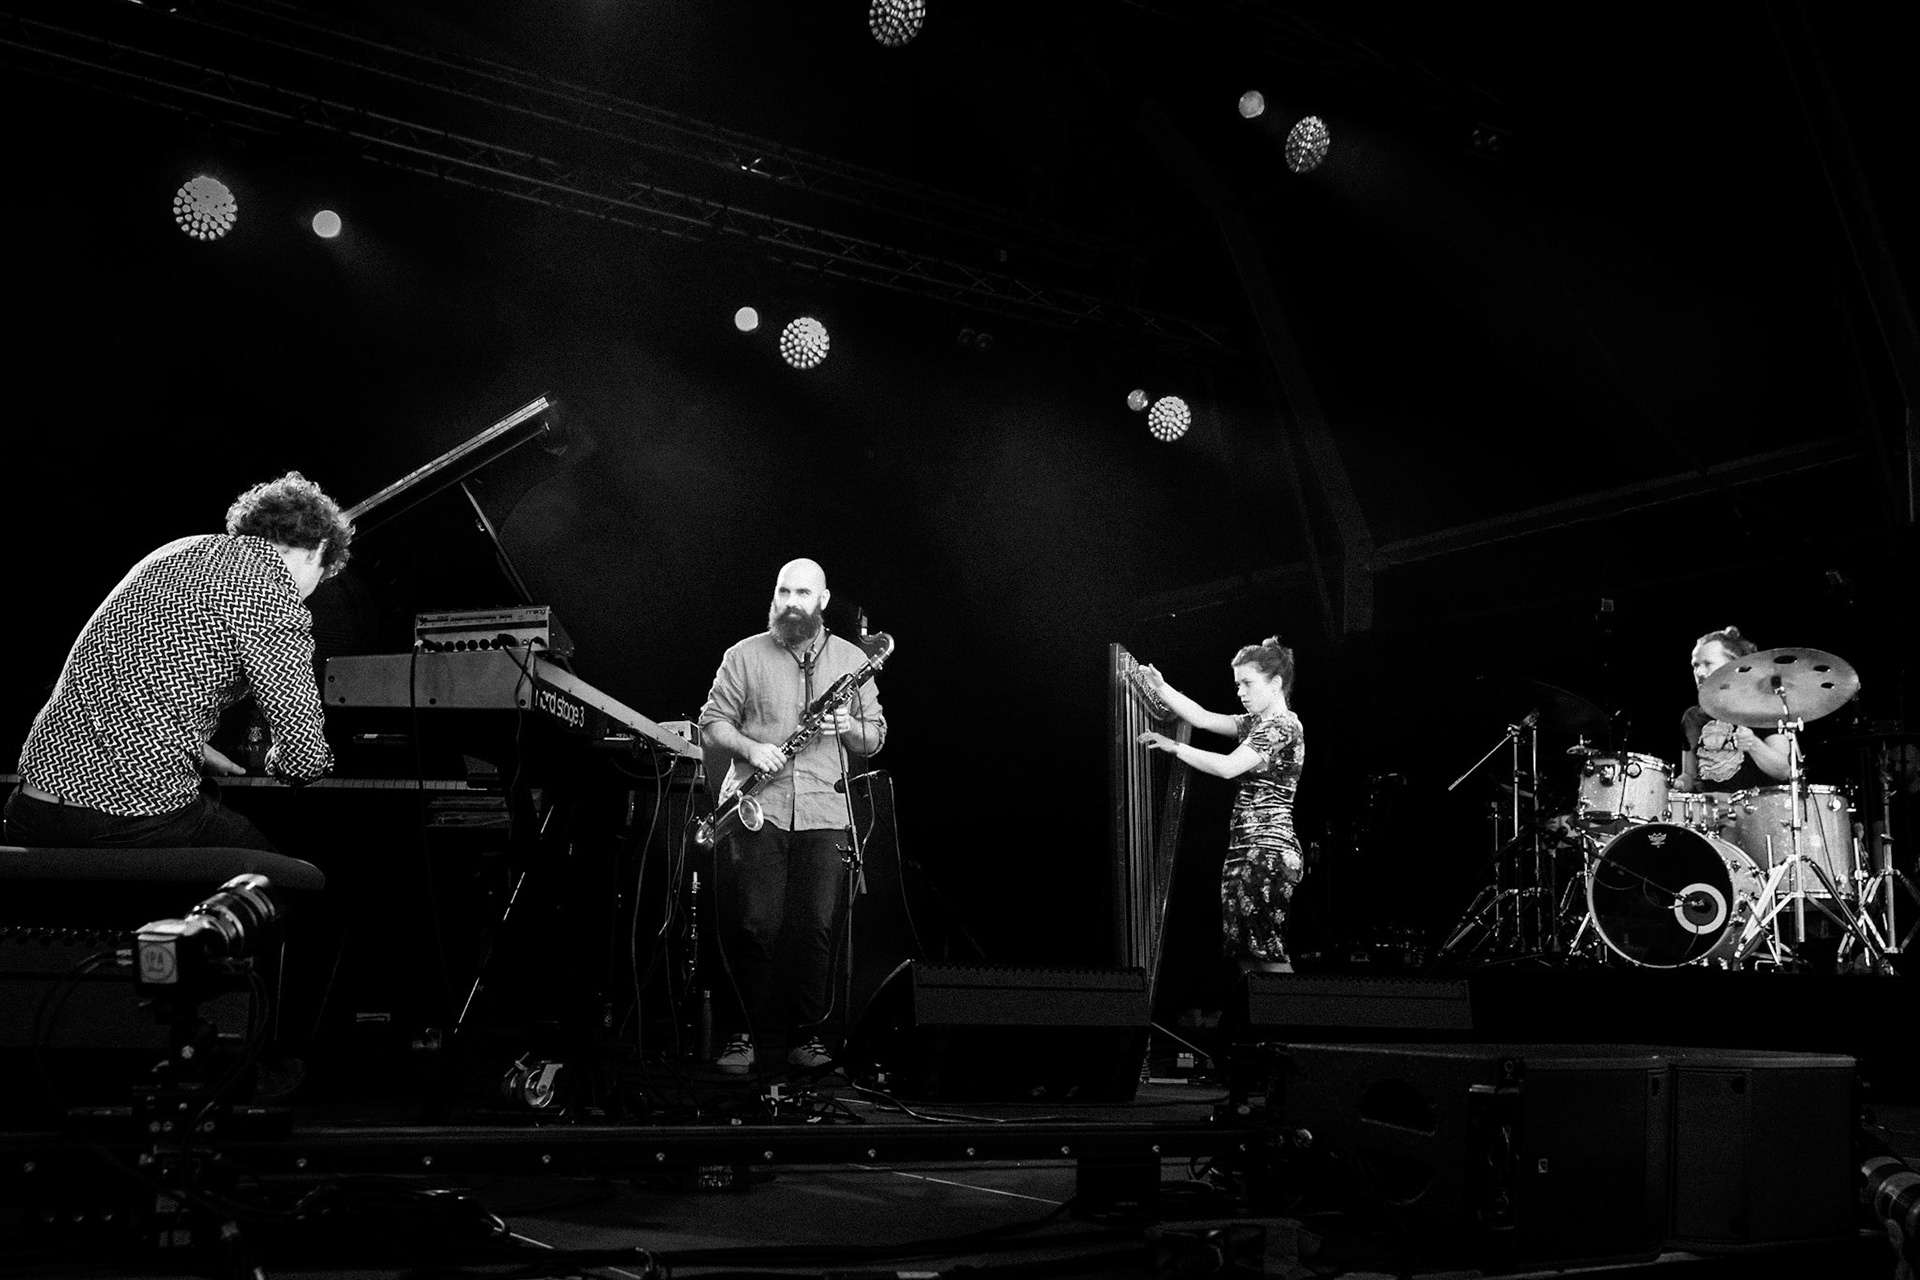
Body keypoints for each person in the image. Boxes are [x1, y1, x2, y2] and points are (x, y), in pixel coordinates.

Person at [4, 472, 350, 850]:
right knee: (274, 885)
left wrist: (192, 746)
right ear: (318, 549)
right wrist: (279, 760)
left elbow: (126, 678)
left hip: (29, 808)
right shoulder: (271, 589)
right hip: (128, 817)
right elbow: (305, 756)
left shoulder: (176, 552)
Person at [699, 558, 886, 1074]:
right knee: (755, 925)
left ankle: (808, 1036)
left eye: (803, 593)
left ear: (823, 601)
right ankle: (743, 1036)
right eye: (783, 591)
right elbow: (712, 723)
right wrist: (753, 749)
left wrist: (849, 726)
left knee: (815, 929)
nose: (790, 602)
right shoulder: (743, 656)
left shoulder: (850, 660)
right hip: (759, 808)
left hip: (826, 810)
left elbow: (875, 739)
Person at [1136, 637, 1305, 973]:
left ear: (1275, 684)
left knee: (1267, 955)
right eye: (1237, 684)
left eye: (1247, 683)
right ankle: (1263, 1023)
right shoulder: (1255, 723)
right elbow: (1201, 718)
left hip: (1268, 850)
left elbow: (1228, 767)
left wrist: (1175, 747)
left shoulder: (1283, 726)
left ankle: (1290, 1022)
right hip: (1245, 848)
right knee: (1245, 953)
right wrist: (1161, 686)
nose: (1240, 692)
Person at [1675, 625, 1792, 794]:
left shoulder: (1763, 708)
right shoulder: (1692, 717)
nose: (1699, 672)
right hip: (1707, 814)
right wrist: (1677, 783)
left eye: (1707, 664)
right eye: (1695, 665)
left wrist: (1754, 745)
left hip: (1753, 812)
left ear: (1734, 666)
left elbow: (1784, 771)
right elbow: (1689, 775)